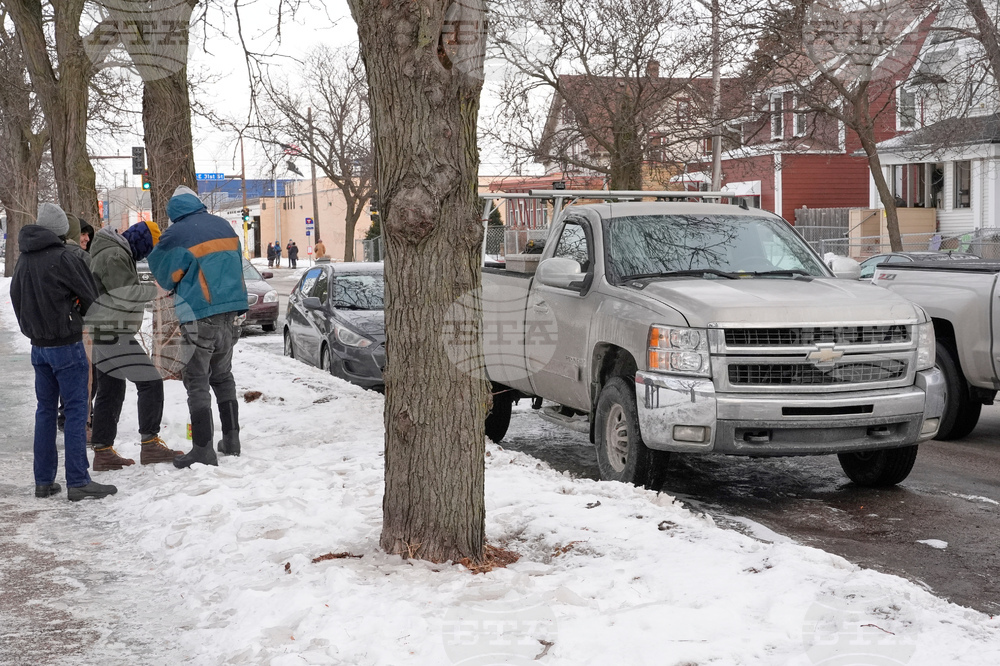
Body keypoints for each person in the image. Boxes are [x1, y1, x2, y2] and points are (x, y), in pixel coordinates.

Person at [10, 203, 117, 501]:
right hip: (66, 346)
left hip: (39, 348)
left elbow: (16, 298)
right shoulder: (65, 257)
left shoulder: (24, 260)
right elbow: (92, 297)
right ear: (60, 232)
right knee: (74, 411)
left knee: (45, 411)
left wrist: (32, 328)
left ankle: (43, 481)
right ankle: (78, 481)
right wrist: (76, 313)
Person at [148, 186, 249, 467]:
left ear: (173, 213)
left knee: (197, 382)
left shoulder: (177, 234)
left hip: (199, 315)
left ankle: (203, 450)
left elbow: (165, 277)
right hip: (231, 315)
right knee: (223, 376)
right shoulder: (224, 227)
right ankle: (231, 439)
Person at [87, 221, 182, 470]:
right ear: (141, 241)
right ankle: (150, 444)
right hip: (112, 330)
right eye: (148, 248)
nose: (146, 254)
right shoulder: (114, 254)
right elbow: (125, 292)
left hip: (104, 328)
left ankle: (103, 451)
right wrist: (155, 291)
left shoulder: (111, 250)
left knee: (111, 389)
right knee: (150, 382)